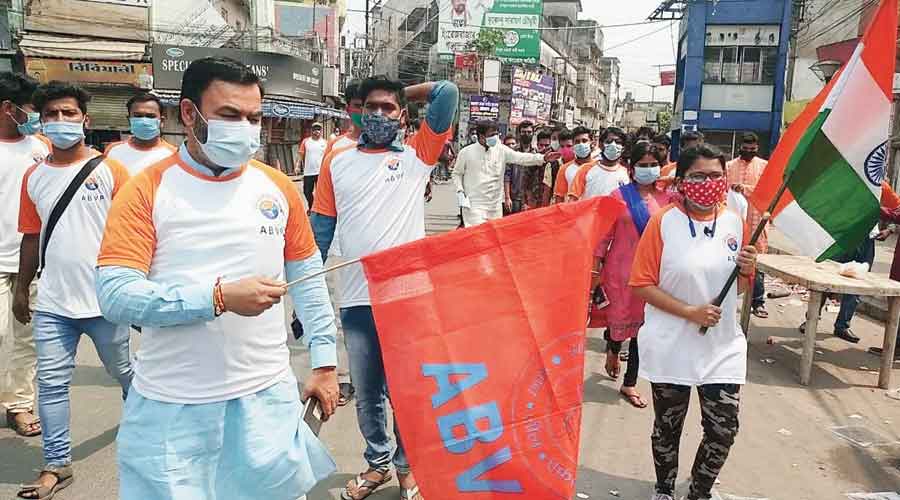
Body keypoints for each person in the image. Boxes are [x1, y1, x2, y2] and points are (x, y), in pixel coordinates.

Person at [96, 57, 339, 500]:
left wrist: (324, 363)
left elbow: (309, 281)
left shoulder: (278, 188)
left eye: (254, 117)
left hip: (265, 400)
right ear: (190, 114)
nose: (244, 128)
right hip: (172, 408)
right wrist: (217, 298)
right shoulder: (147, 189)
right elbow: (116, 294)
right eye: (229, 115)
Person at [310, 75, 459, 500]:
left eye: (387, 109)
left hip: (406, 298)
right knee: (367, 391)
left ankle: (407, 469)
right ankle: (377, 466)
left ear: (403, 116)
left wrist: (399, 90)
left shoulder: (417, 155)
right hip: (356, 298)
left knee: (408, 391)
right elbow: (321, 231)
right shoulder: (337, 161)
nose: (377, 115)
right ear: (357, 111)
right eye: (369, 107)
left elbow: (446, 93)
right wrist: (308, 302)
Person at [14, 82, 134, 500]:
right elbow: (32, 236)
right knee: (50, 383)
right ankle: (56, 464)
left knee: (125, 373)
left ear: (86, 120)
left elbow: (133, 232)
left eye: (69, 113)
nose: (61, 121)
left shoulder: (110, 171)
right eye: (52, 114)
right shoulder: (34, 176)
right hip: (53, 302)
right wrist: (22, 288)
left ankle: (143, 426)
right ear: (42, 121)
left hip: (104, 300)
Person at [629, 145, 757, 500]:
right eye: (698, 176)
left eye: (716, 175)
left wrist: (748, 270)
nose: (708, 182)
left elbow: (742, 287)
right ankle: (665, 488)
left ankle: (698, 492)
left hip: (721, 346)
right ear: (682, 181)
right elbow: (640, 284)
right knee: (668, 427)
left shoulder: (734, 220)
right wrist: (689, 312)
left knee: (723, 429)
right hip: (671, 343)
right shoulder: (663, 222)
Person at [594, 142, 673, 409]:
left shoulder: (670, 199)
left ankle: (630, 382)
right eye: (643, 165)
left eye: (654, 165)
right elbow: (603, 236)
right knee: (619, 322)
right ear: (632, 167)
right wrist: (595, 269)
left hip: (653, 274)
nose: (648, 169)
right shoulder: (618, 196)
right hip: (619, 272)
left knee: (643, 328)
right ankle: (613, 349)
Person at [0, 72, 48, 439]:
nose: (35, 116)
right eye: (31, 108)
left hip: (32, 262)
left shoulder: (41, 148)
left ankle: (19, 404)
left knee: (26, 338)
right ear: (8, 108)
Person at [454, 120, 559, 227]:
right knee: (477, 237)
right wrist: (460, 191)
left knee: (492, 238)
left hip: (495, 206)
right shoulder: (466, 152)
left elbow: (521, 158)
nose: (495, 137)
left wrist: (543, 158)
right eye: (491, 135)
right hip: (474, 205)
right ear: (481, 136)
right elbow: (457, 174)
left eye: (496, 134)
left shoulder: (501, 150)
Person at [726, 132, 770, 319]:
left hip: (757, 222)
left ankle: (757, 302)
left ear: (757, 148)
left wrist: (745, 189)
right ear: (740, 147)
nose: (749, 152)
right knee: (730, 259)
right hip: (733, 223)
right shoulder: (729, 166)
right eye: (746, 149)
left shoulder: (764, 166)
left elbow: (768, 191)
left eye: (752, 149)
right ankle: (729, 298)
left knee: (757, 262)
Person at [104, 92, 176, 175]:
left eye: (150, 116)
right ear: (129, 120)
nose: (144, 121)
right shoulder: (113, 151)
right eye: (138, 116)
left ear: (162, 121)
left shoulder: (173, 155)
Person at [568, 126, 630, 201]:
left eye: (618, 142)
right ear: (600, 145)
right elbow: (572, 201)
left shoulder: (626, 173)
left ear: (623, 148)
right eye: (609, 141)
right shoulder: (586, 169)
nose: (613, 145)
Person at [505, 120, 542, 213]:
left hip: (531, 198)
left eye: (529, 132)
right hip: (515, 198)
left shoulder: (537, 154)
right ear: (519, 134)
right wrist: (507, 197)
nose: (526, 134)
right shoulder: (512, 152)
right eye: (524, 132)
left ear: (533, 134)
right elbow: (506, 176)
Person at [297, 121, 328, 208]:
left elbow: (328, 156)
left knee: (322, 192)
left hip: (321, 172)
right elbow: (301, 154)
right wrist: (297, 166)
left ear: (321, 131)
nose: (316, 131)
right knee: (306, 192)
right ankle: (312, 206)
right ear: (312, 131)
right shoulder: (306, 141)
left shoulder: (325, 143)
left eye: (318, 129)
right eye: (315, 129)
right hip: (308, 172)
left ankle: (320, 208)